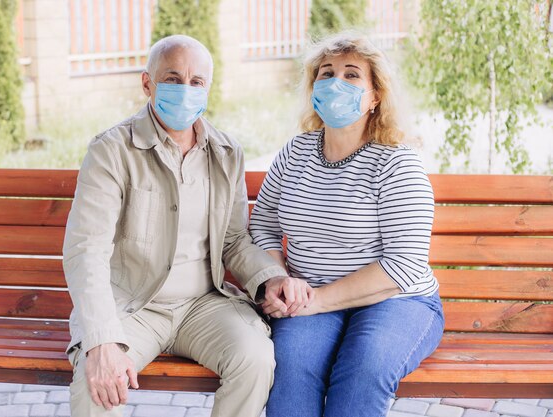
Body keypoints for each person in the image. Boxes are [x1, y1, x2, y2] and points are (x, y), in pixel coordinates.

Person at [62, 34, 311, 417]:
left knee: (256, 359)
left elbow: (232, 240)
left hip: (202, 305)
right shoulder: (111, 151)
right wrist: (101, 340)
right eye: (173, 79)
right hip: (132, 306)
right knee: (96, 385)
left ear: (208, 88)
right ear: (148, 83)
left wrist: (271, 277)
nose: (185, 90)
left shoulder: (226, 153)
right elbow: (87, 250)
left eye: (196, 82)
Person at [249, 31, 445, 417]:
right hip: (309, 300)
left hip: (397, 301)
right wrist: (274, 279)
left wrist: (316, 301)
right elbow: (265, 224)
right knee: (289, 368)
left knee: (362, 371)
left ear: (375, 96)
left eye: (352, 74)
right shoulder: (295, 152)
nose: (335, 82)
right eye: (326, 73)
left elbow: (404, 264)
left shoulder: (396, 162)